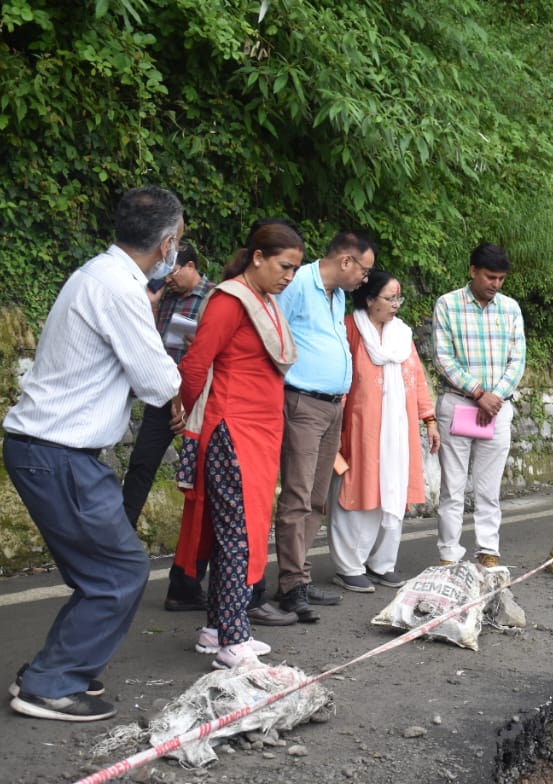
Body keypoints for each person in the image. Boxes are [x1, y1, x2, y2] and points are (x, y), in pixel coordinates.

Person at [3, 186, 184, 722]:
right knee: (120, 571)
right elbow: (158, 381)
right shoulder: (121, 291)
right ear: (168, 243)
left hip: (49, 450)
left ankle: (56, 668)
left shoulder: (96, 275)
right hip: (60, 453)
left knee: (102, 571)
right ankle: (49, 684)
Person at [173, 222, 303, 667]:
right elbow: (195, 365)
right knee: (237, 536)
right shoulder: (232, 300)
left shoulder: (264, 302)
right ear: (258, 257)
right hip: (232, 431)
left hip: (258, 433)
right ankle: (232, 637)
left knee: (238, 530)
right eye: (284, 265)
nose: (289, 275)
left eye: (295, 268)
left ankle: (215, 630)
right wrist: (189, 413)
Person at [270, 232, 378, 623]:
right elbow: (271, 333)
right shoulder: (298, 284)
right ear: (346, 261)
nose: (365, 280)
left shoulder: (337, 295)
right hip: (302, 401)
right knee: (297, 495)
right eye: (363, 271)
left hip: (331, 406)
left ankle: (301, 575)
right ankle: (289, 586)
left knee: (317, 496)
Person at [117, 242, 215, 612]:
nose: (169, 279)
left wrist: (188, 404)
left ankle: (187, 579)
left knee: (201, 485)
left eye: (175, 272)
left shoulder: (214, 299)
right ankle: (119, 542)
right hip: (163, 396)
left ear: (192, 266)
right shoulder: (164, 296)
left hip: (199, 401)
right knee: (141, 466)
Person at [329, 271, 440, 591]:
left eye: (398, 299)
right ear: (369, 299)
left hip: (398, 433)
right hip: (359, 430)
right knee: (355, 495)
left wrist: (429, 420)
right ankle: (349, 566)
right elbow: (340, 376)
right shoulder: (350, 329)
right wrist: (335, 426)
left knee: (393, 493)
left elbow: (417, 379)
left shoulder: (402, 334)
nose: (396, 305)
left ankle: (382, 562)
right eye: (390, 298)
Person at [432, 242, 527, 567]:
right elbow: (442, 357)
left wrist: (495, 396)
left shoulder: (511, 309)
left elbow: (518, 359)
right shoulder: (447, 305)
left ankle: (488, 550)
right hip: (459, 405)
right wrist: (478, 393)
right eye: (490, 277)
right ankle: (449, 555)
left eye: (501, 279)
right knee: (453, 487)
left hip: (497, 410)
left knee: (489, 487)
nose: (496, 284)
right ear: (473, 271)